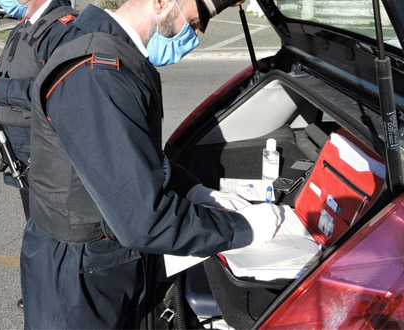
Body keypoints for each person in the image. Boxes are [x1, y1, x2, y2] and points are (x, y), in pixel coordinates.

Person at [23, 0, 282, 328]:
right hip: (79, 282)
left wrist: (196, 191)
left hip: (95, 263)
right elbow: (142, 220)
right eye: (196, 21)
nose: (198, 34)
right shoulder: (98, 75)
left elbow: (136, 156)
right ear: (161, 2)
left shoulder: (106, 45)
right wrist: (245, 229)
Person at [0, 0, 77, 308]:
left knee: (55, 229)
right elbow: (17, 70)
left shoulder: (62, 27)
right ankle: (42, 289)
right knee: (36, 225)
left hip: (45, 148)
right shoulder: (25, 25)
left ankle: (56, 296)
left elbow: (57, 88)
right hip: (20, 147)